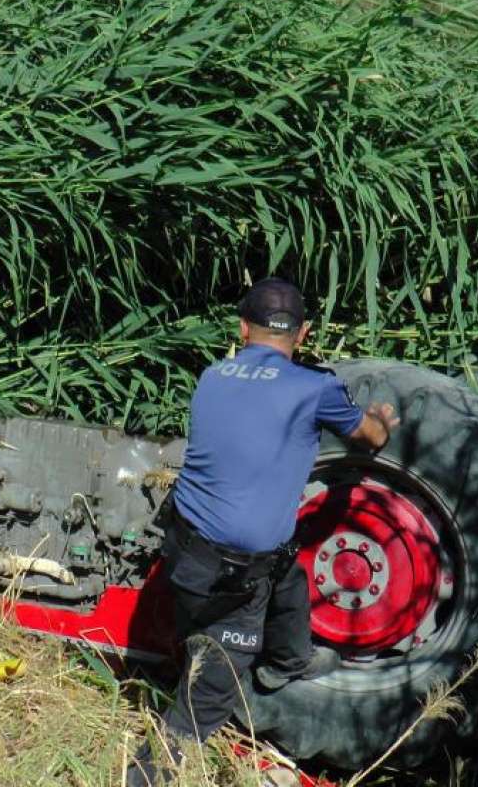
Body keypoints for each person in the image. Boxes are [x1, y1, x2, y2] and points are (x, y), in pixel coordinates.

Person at [127, 277, 398, 786]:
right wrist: (382, 417)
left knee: (284, 567)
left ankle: (288, 660)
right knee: (209, 696)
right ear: (304, 333)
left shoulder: (212, 376)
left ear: (243, 328)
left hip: (184, 546)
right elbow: (369, 439)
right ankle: (145, 775)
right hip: (230, 574)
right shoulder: (314, 388)